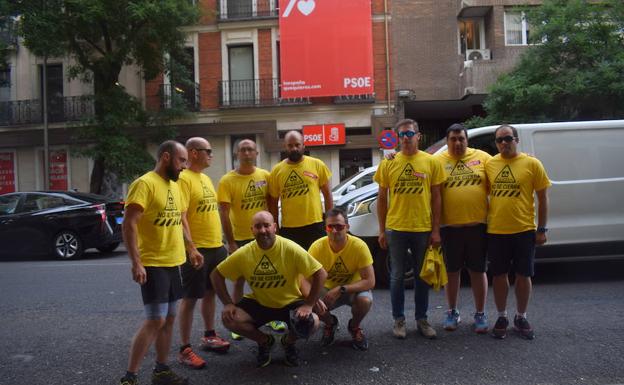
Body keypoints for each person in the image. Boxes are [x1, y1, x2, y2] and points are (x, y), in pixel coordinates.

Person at [120, 140, 197, 385]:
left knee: (170, 317)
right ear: (166, 157)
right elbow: (129, 223)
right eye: (181, 160)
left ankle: (161, 370)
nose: (185, 166)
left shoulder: (175, 186)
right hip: (153, 262)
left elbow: (180, 220)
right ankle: (129, 377)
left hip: (174, 261)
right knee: (156, 319)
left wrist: (191, 248)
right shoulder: (144, 184)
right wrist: (136, 262)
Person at [210, 211, 327, 367]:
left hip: (289, 302)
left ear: (274, 227)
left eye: (266, 225)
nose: (263, 230)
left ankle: (288, 342)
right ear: (252, 230)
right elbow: (215, 275)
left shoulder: (290, 248)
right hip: (260, 302)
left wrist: (309, 304)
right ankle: (265, 341)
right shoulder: (245, 252)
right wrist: (228, 303)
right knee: (230, 319)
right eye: (258, 227)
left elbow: (320, 273)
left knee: (313, 322)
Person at [374, 119, 445, 340]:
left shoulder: (430, 162)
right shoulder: (388, 162)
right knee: (396, 277)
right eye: (402, 135)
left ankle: (422, 320)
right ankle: (399, 320)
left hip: (422, 228)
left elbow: (436, 197)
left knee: (422, 277)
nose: (406, 138)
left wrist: (436, 230)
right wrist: (382, 230)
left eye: (410, 134)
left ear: (418, 136)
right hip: (396, 228)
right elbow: (381, 198)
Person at [486, 125, 550, 340]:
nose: (504, 143)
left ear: (516, 139)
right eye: (499, 140)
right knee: (499, 275)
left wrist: (541, 229)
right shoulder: (490, 164)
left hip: (524, 229)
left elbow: (543, 198)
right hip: (496, 230)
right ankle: (502, 316)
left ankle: (521, 316)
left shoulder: (532, 163)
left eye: (508, 138)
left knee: (524, 275)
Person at [217, 139, 286, 338]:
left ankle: (274, 318)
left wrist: (276, 231)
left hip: (266, 237)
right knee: (239, 280)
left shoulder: (265, 176)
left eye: (250, 150)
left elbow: (273, 204)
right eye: (243, 150)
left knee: (272, 278)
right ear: (236, 154)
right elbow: (224, 213)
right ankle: (238, 319)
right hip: (240, 237)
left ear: (256, 153)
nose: (247, 153)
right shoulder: (227, 180)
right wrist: (230, 242)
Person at [176, 137, 230, 370]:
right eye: (207, 150)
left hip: (215, 246)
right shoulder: (183, 179)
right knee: (190, 298)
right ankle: (184, 349)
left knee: (210, 293)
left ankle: (209, 335)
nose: (211, 154)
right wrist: (191, 247)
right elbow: (181, 216)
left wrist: (223, 242)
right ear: (193, 152)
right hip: (197, 249)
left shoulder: (206, 178)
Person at [434, 123, 492, 333]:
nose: (457, 143)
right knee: (452, 272)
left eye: (461, 139)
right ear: (447, 141)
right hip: (450, 227)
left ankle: (480, 313)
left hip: (478, 226)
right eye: (453, 139)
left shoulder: (483, 158)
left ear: (467, 140)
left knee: (478, 270)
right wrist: (391, 157)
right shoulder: (437, 161)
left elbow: (505, 168)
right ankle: (452, 311)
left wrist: (526, 156)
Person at [306, 208, 375, 350]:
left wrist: (342, 289)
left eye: (339, 226)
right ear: (325, 228)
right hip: (327, 290)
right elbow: (305, 280)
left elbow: (370, 281)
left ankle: (354, 327)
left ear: (347, 227)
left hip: (351, 289)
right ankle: (330, 323)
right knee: (309, 299)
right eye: (330, 226)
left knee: (365, 300)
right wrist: (314, 298)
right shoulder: (317, 247)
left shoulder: (359, 246)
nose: (334, 231)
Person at [268, 130, 333, 250]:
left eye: (297, 145)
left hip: (315, 226)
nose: (294, 148)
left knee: (317, 263)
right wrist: (275, 228)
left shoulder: (317, 165)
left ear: (304, 145)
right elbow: (273, 203)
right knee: (294, 266)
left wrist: (329, 222)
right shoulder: (277, 171)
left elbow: (328, 195)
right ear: (285, 147)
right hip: (289, 229)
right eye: (290, 145)